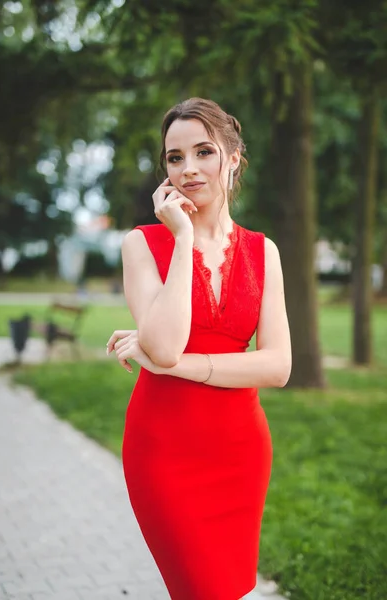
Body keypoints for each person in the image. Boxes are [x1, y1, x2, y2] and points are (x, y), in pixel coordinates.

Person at [106, 97, 292, 600]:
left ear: (232, 158)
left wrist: (180, 364)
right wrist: (183, 239)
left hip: (240, 450)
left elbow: (277, 367)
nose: (188, 169)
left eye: (203, 152)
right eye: (174, 157)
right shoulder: (141, 244)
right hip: (164, 450)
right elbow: (162, 347)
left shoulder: (263, 251)